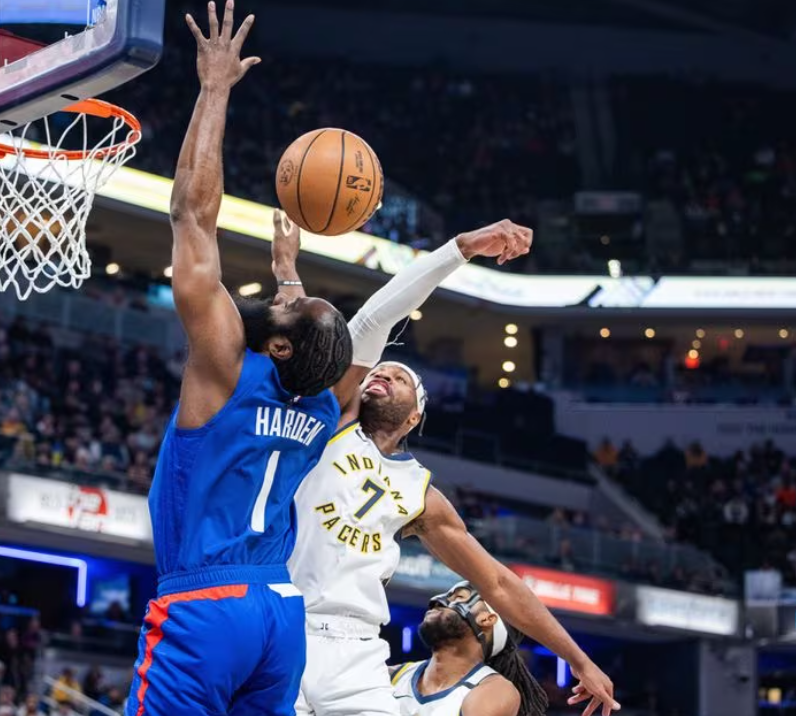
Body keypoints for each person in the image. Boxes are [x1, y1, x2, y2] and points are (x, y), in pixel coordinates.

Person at [279, 227, 618, 715]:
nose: (381, 374)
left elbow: (500, 585)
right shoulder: (331, 422)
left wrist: (579, 660)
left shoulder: (419, 493)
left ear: (414, 416)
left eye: (400, 378)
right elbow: (378, 315)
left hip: (356, 652)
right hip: (285, 625)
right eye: (378, 371)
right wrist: (462, 247)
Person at [125, 3, 356, 715]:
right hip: (278, 614)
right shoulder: (320, 405)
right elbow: (308, 346)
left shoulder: (226, 365)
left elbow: (192, 217)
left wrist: (214, 89)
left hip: (206, 602)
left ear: (278, 344)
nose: (284, 299)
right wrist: (289, 273)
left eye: (288, 307)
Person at [390, 582, 549, 716]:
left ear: (487, 619)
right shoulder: (392, 675)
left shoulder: (494, 692)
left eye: (459, 597)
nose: (437, 601)